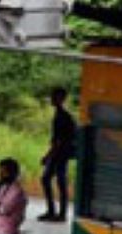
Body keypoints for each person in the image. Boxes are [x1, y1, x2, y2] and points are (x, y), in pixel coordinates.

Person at [39, 89, 76, 222]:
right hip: (61, 152)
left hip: (61, 153)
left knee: (55, 181)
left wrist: (48, 155)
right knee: (52, 180)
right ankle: (55, 212)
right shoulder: (61, 115)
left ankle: (59, 213)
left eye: (55, 96)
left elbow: (59, 140)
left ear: (62, 98)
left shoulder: (63, 117)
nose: (52, 99)